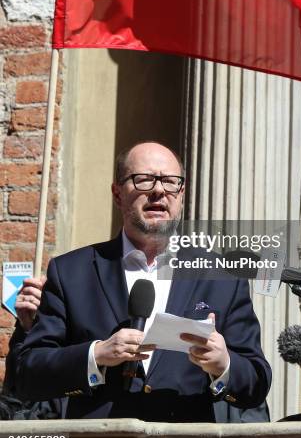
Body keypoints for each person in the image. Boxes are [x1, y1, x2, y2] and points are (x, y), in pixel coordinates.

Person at [16, 141, 271, 421]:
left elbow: (256, 383)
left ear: (181, 194)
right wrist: (96, 354)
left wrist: (224, 365)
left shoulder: (221, 276)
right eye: (144, 180)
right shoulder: (71, 272)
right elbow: (28, 374)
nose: (159, 190)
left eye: (171, 182)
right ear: (117, 194)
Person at [2, 277, 64, 419]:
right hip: (32, 429)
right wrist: (28, 327)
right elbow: (15, 387)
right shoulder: (27, 332)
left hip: (67, 427)